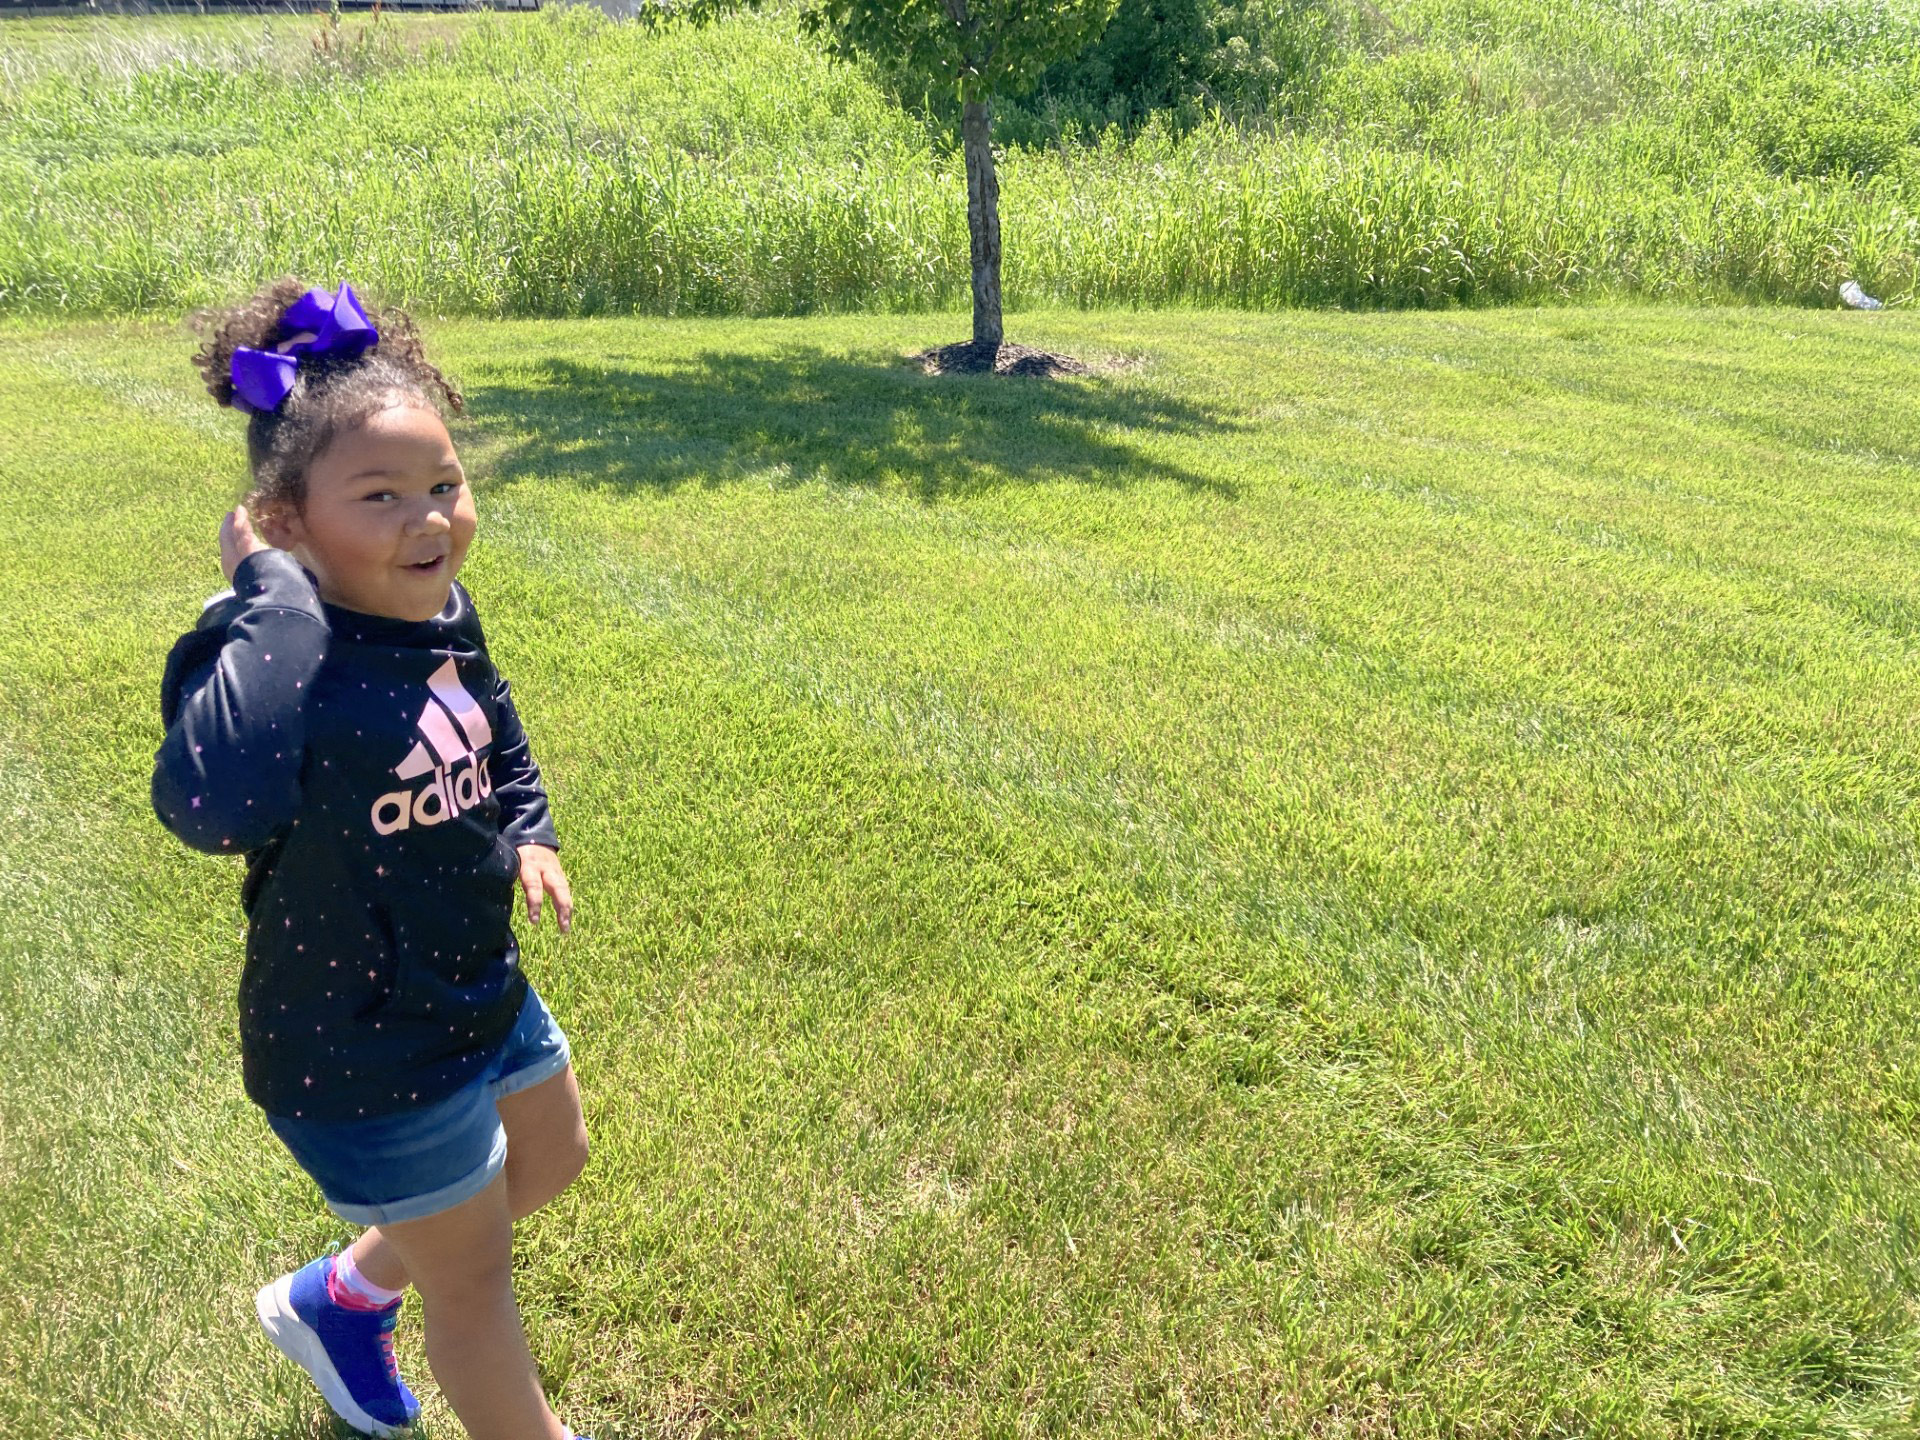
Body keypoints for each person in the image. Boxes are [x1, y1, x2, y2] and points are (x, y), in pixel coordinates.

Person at [152, 279, 589, 1440]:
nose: (430, 520)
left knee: (550, 1155)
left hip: (470, 982)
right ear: (284, 521)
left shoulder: (438, 610)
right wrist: (276, 606)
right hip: (358, 1041)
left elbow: (489, 716)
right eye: (383, 495)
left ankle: (337, 1298)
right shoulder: (256, 650)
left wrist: (530, 826)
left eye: (445, 486)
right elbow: (210, 805)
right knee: (474, 1276)